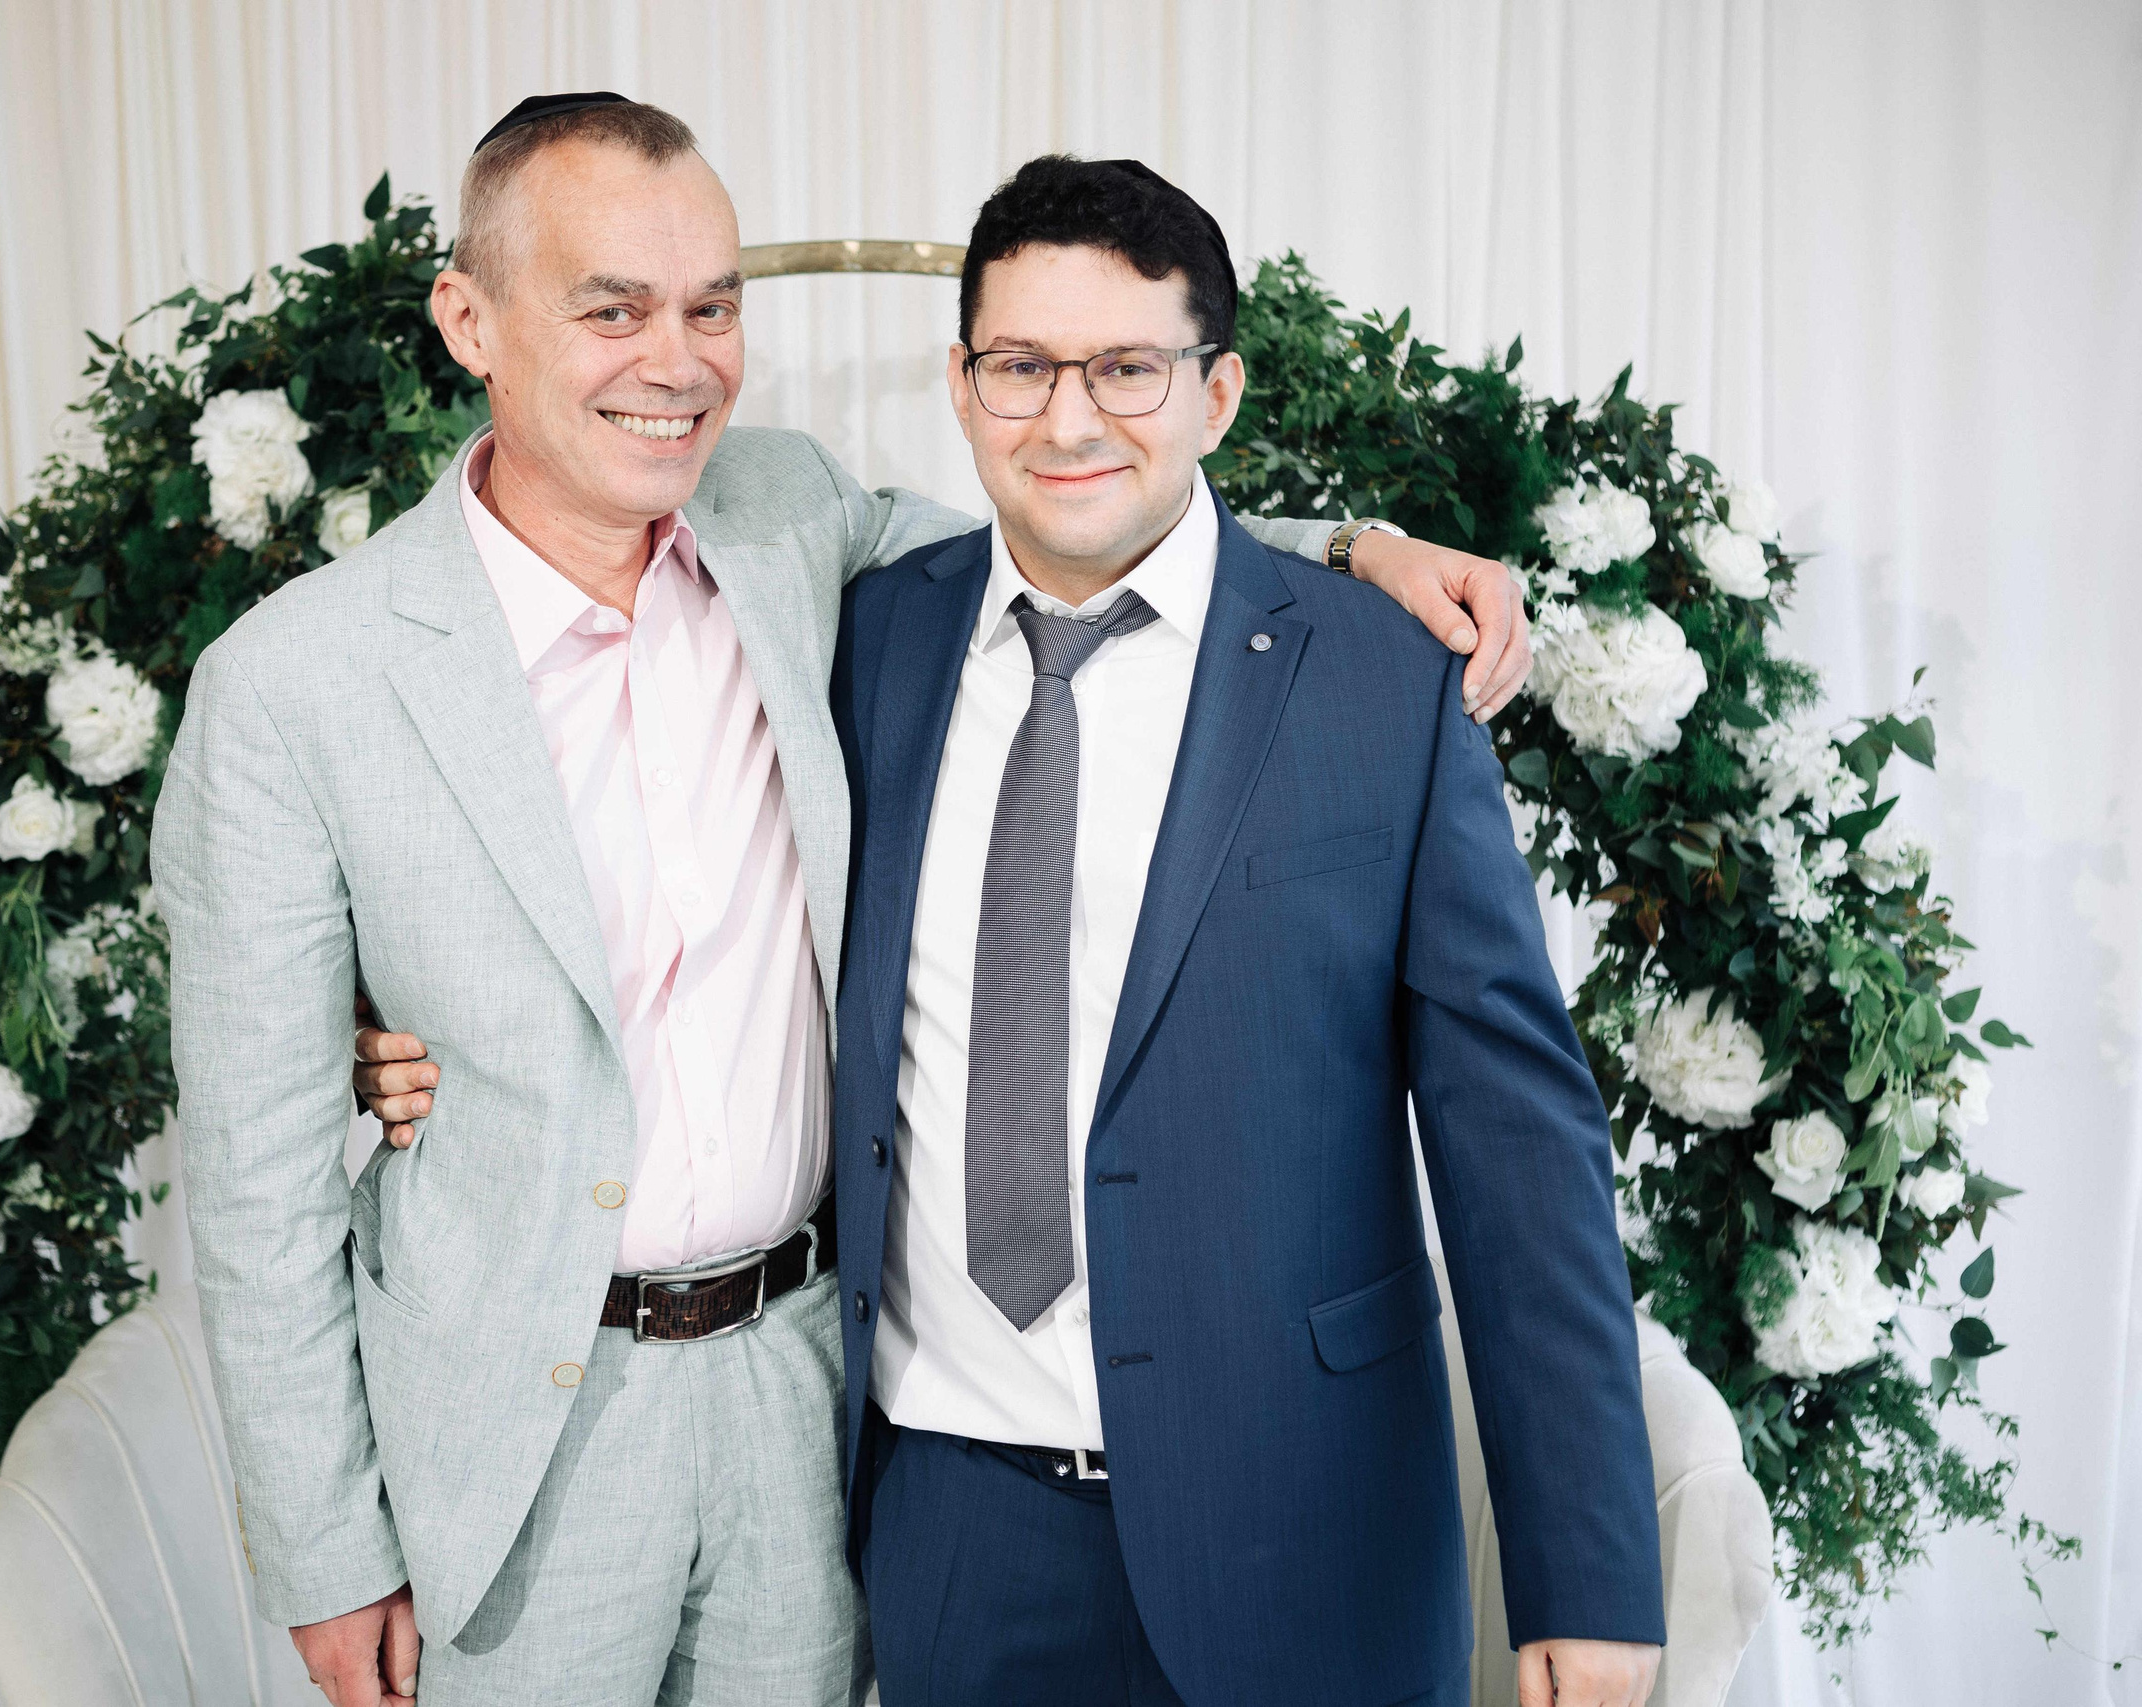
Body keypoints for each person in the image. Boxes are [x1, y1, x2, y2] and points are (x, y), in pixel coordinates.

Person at [178, 95, 1529, 1707]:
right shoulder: (293, 685)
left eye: (713, 307)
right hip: (518, 1443)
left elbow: (1077, 536)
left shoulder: (785, 520)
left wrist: (1353, 551)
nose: (676, 362)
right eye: (612, 310)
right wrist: (327, 1551)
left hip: (801, 1397)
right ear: (470, 321)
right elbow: (254, 1187)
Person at [816, 155, 1666, 1706]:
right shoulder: (871, 641)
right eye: (1021, 366)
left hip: (1309, 1525)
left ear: (1217, 392)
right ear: (961, 383)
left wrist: (1589, 1575)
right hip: (957, 1528)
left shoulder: (1381, 679)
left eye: (1127, 369)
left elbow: (1519, 1144)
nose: (1068, 419)